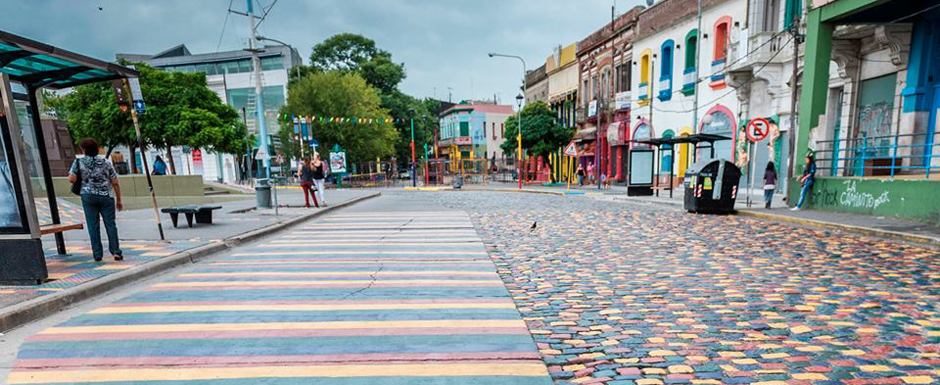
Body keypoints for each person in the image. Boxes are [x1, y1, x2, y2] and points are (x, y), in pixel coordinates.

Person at [69, 138, 123, 262]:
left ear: (83, 150)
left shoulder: (79, 162)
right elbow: (115, 182)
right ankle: (116, 251)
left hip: (88, 196)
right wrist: (119, 199)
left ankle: (97, 254)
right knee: (110, 224)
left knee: (93, 225)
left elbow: (72, 179)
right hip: (106, 196)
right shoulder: (106, 162)